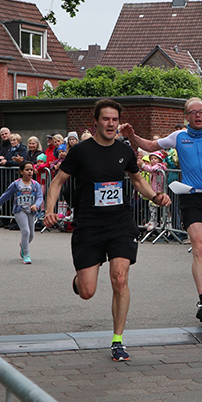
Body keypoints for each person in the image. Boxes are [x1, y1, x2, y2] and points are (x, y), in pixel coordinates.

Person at [43, 99, 171, 362]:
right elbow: (57, 182)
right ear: (96, 122)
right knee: (87, 291)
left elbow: (137, 180)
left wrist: (155, 197)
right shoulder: (81, 151)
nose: (110, 124)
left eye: (115, 120)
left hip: (119, 223)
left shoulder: (124, 150)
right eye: (106, 119)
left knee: (120, 278)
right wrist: (49, 210)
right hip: (89, 225)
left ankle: (117, 340)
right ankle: (80, 280)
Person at [120, 98, 202, 324]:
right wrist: (132, 136)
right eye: (193, 112)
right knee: (198, 249)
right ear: (186, 117)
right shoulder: (179, 137)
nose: (198, 115)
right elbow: (150, 146)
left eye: (201, 112)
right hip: (191, 197)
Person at [0, 162, 43, 264]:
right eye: (27, 170)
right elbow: (5, 196)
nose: (30, 172)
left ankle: (23, 245)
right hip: (20, 210)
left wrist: (36, 205)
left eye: (31, 170)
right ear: (21, 172)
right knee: (25, 231)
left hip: (31, 211)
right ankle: (26, 254)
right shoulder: (16, 184)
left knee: (31, 235)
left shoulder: (35, 184)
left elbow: (40, 197)